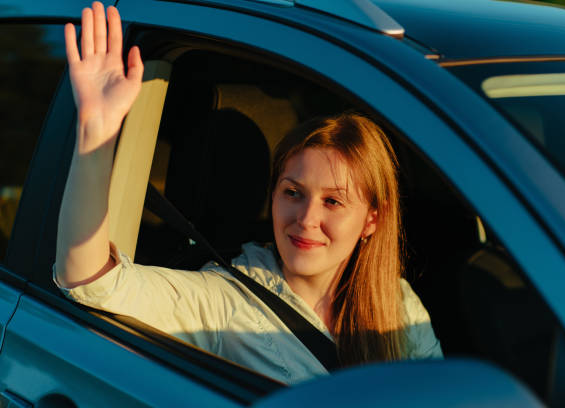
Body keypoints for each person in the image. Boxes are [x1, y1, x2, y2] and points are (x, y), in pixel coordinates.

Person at [55, 2, 442, 385]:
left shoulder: (399, 306)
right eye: (293, 192)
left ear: (372, 219)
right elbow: (92, 282)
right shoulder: (229, 299)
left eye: (333, 201)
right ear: (272, 195)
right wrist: (96, 133)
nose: (306, 219)